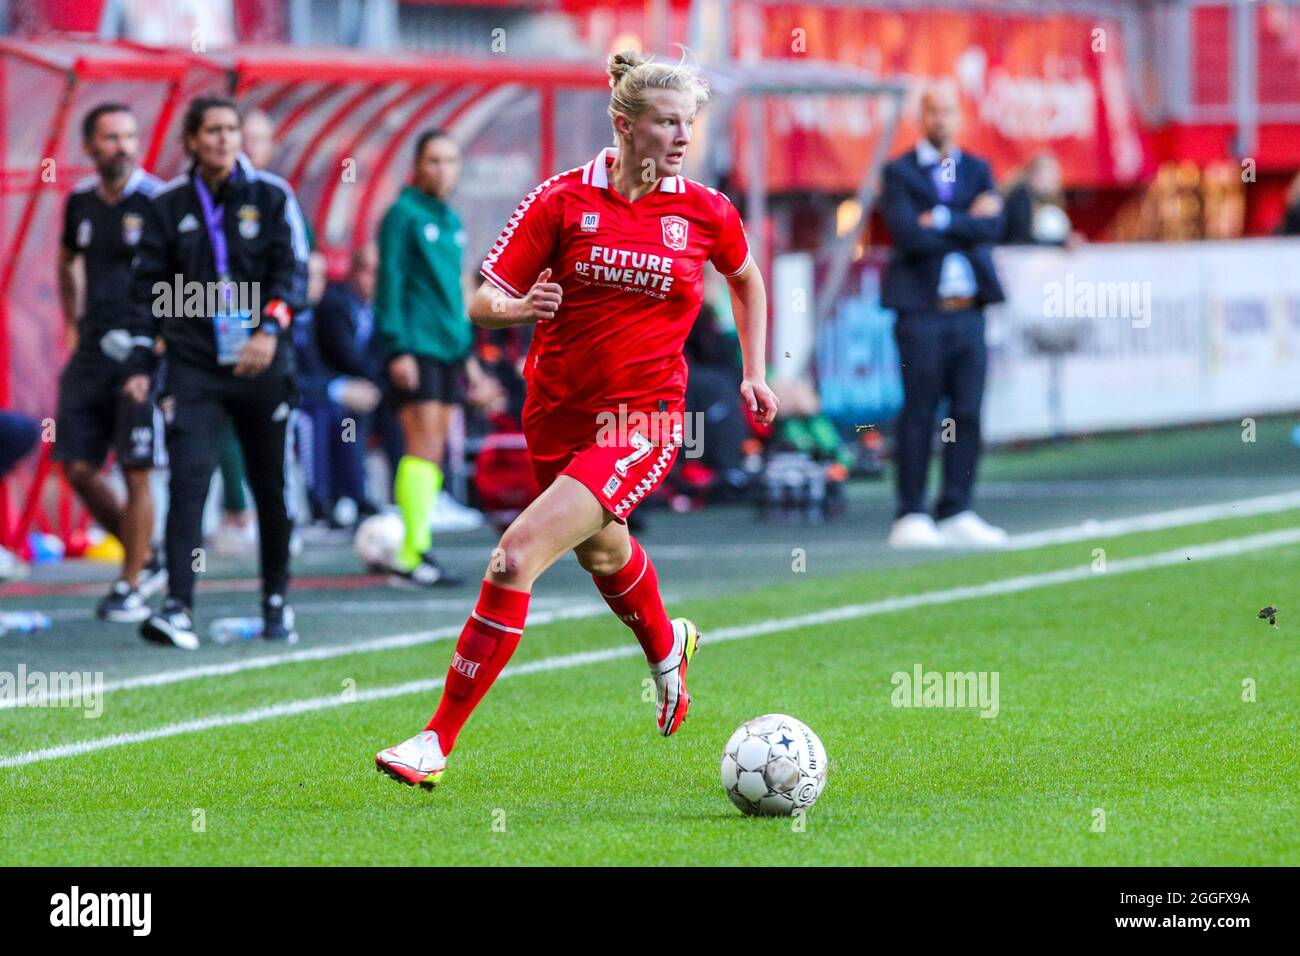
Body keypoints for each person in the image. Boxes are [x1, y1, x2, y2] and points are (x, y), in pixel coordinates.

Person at [374, 49, 778, 789]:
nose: (682, 138)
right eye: (666, 123)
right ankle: (668, 647)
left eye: (688, 124)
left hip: (645, 420)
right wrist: (521, 307)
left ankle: (435, 740)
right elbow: (481, 298)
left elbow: (746, 278)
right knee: (601, 552)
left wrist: (754, 370)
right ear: (625, 126)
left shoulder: (705, 210)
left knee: (514, 554)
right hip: (556, 414)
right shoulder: (563, 201)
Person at [132, 95, 308, 649]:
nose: (223, 139)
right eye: (212, 130)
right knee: (188, 482)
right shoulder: (167, 204)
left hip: (261, 361)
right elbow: (147, 288)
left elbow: (293, 274)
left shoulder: (272, 195)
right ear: (191, 139)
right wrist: (148, 353)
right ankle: (178, 607)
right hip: (195, 368)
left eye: (231, 129)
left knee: (268, 485)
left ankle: (275, 601)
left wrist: (269, 330)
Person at [880, 80, 1008, 549]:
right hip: (921, 313)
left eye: (949, 111)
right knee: (919, 411)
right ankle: (911, 511)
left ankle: (957, 506)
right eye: (933, 111)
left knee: (968, 411)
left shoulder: (977, 168)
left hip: (968, 312)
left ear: (960, 116)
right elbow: (908, 235)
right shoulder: (899, 172)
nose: (941, 120)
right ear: (922, 117)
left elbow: (994, 225)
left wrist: (944, 219)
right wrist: (965, 222)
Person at [54, 103, 167, 621]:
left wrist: (161, 342)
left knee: (136, 466)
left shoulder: (159, 201)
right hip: (93, 349)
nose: (122, 145)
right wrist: (73, 323)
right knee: (75, 466)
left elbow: (188, 276)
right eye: (111, 137)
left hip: (141, 351)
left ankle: (131, 579)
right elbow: (66, 261)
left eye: (129, 135)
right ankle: (147, 555)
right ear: (90, 147)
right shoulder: (79, 202)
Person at [373, 129, 473, 587]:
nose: (441, 169)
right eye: (433, 160)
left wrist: (468, 355)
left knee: (433, 452)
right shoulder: (402, 214)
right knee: (423, 447)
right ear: (416, 164)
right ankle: (412, 553)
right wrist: (397, 345)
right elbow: (389, 281)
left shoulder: (451, 220)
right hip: (417, 345)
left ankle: (417, 548)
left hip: (448, 347)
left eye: (449, 161)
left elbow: (455, 292)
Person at [315, 243, 389, 519]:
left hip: (365, 385)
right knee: (347, 417)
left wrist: (376, 387)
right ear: (353, 273)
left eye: (377, 273)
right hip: (331, 385)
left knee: (400, 407)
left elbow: (384, 353)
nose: (373, 279)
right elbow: (348, 357)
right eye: (367, 272)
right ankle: (347, 495)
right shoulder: (335, 303)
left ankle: (403, 495)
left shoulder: (378, 307)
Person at [1001, 153, 1079, 247]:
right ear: (1036, 174)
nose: (1056, 182)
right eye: (1052, 176)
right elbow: (1021, 240)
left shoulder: (1030, 197)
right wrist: (1060, 244)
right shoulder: (1020, 197)